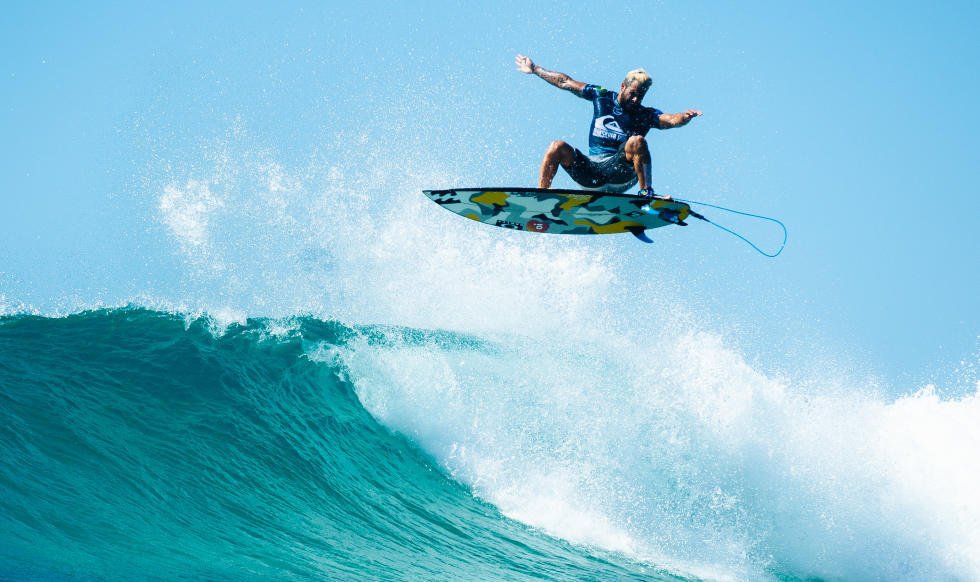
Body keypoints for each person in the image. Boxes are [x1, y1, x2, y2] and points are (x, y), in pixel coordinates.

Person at [515, 54, 702, 199]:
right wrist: (535, 69)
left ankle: (646, 194)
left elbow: (670, 120)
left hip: (621, 175)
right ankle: (541, 197)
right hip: (590, 173)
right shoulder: (601, 96)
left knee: (637, 141)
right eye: (633, 93)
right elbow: (565, 82)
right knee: (557, 147)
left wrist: (684, 117)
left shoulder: (645, 114)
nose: (636, 99)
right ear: (623, 86)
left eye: (641, 96)